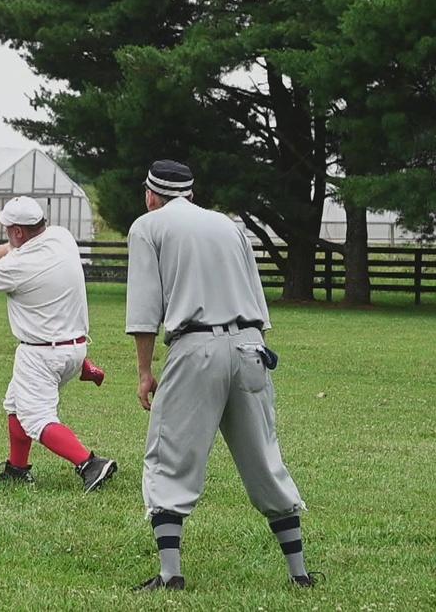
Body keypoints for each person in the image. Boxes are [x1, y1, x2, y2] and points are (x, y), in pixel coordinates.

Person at [124, 160, 315, 591]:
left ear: (151, 194)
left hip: (195, 347)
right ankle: (299, 574)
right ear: (189, 193)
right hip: (250, 346)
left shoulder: (148, 227)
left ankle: (170, 574)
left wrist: (143, 371)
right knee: (264, 458)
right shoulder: (228, 227)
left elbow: (143, 311)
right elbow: (257, 298)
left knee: (171, 454)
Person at [0, 196, 117, 492]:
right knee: (16, 404)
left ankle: (90, 463)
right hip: (74, 349)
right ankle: (17, 469)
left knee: (37, 418)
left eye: (8, 228)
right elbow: (8, 249)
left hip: (41, 354)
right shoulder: (61, 237)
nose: (6, 234)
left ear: (18, 231)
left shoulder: (17, 267)